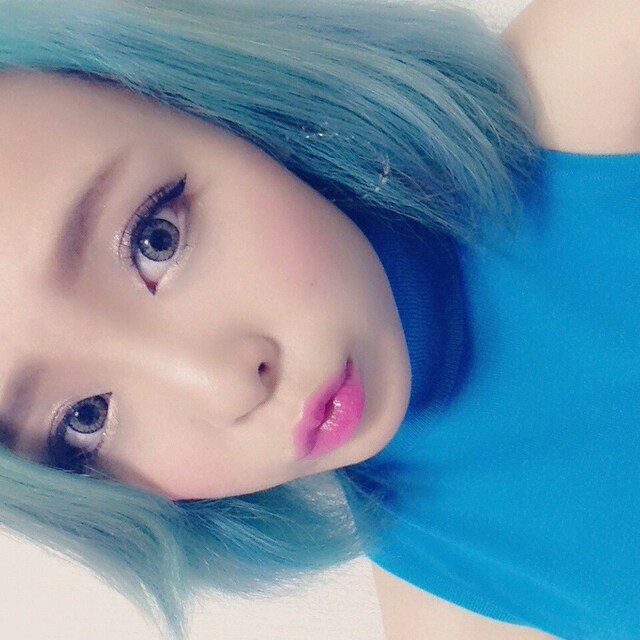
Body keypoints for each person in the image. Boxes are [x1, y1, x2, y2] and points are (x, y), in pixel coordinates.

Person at [0, 1, 637, 639]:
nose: (223, 385)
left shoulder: (599, 73)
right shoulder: (466, 607)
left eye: (155, 240)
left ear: (207, 101)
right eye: (85, 418)